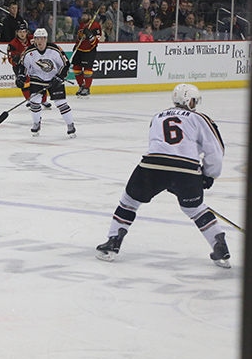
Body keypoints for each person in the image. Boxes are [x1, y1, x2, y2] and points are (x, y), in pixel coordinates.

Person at [95, 83, 230, 268]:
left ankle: (112, 242)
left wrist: (164, 178)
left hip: (152, 166)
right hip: (186, 170)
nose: (194, 104)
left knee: (129, 202)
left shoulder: (157, 116)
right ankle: (220, 246)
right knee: (195, 209)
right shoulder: (200, 118)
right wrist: (209, 175)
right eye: (193, 100)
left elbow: (158, 145)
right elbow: (215, 150)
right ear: (188, 101)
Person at [21, 28, 75, 137]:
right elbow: (23, 66)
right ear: (34, 39)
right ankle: (36, 123)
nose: (39, 41)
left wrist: (60, 77)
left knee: (61, 103)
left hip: (54, 78)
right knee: (34, 102)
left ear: (46, 39)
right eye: (37, 38)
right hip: (37, 78)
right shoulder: (29, 52)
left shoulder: (54, 49)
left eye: (42, 38)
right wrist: (20, 76)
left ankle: (70, 124)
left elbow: (66, 64)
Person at [72, 11, 101, 97]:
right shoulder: (81, 24)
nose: (83, 17)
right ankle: (81, 86)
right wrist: (76, 44)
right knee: (76, 68)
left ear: (90, 16)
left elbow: (96, 41)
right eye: (83, 15)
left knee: (87, 70)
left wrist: (91, 36)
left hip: (89, 50)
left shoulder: (95, 26)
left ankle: (87, 88)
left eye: (85, 15)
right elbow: (79, 37)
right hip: (80, 49)